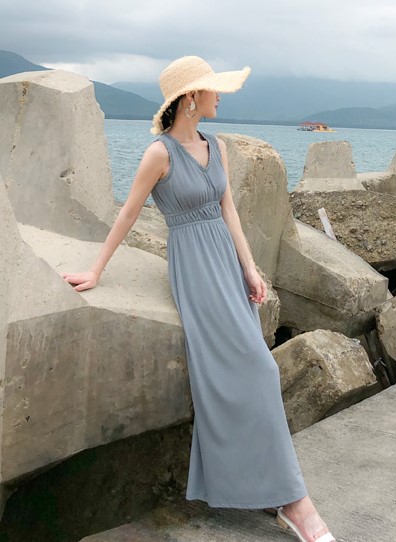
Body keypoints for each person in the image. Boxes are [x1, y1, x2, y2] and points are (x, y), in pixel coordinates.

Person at [62, 56, 336, 542]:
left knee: (257, 370)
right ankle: (296, 503)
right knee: (260, 370)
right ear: (191, 98)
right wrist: (96, 270)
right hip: (193, 268)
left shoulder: (217, 146)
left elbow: (229, 209)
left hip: (226, 265)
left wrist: (249, 267)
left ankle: (275, 490)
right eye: (213, 89)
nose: (219, 96)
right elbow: (128, 214)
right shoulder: (159, 154)